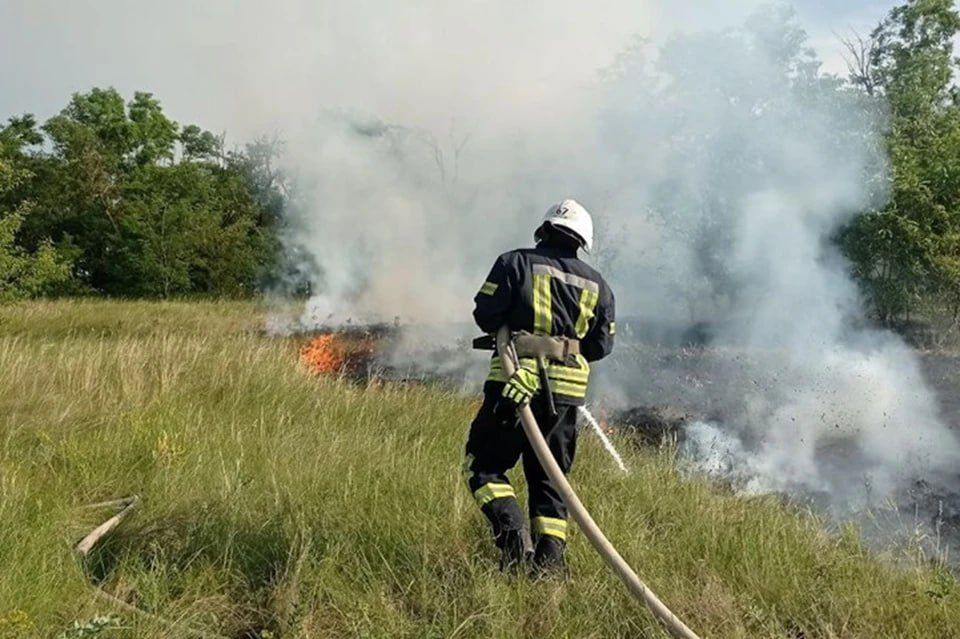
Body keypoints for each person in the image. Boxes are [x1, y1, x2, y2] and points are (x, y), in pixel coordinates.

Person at [464, 199, 616, 574]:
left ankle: (514, 543)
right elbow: (600, 346)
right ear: (582, 241)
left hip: (513, 387)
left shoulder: (514, 262)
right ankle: (549, 570)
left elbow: (485, 314)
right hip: (565, 398)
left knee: (484, 468)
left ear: (544, 229)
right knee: (551, 482)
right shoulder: (600, 286)